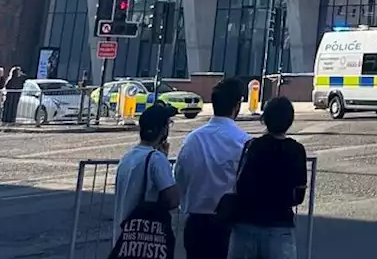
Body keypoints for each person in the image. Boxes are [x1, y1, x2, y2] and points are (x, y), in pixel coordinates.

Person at [174, 78, 250, 259]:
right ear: (237, 105)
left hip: (196, 223)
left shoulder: (192, 140)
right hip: (230, 225)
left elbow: (179, 178)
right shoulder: (244, 142)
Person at [228, 97, 307, 259]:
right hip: (280, 223)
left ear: (265, 119)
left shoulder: (253, 146)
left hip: (247, 222)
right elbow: (298, 195)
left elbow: (240, 185)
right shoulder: (296, 150)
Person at [113, 103, 180, 238]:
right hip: (146, 240)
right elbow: (172, 200)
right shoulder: (156, 159)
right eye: (168, 124)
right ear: (162, 130)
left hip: (124, 237)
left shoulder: (127, 157)